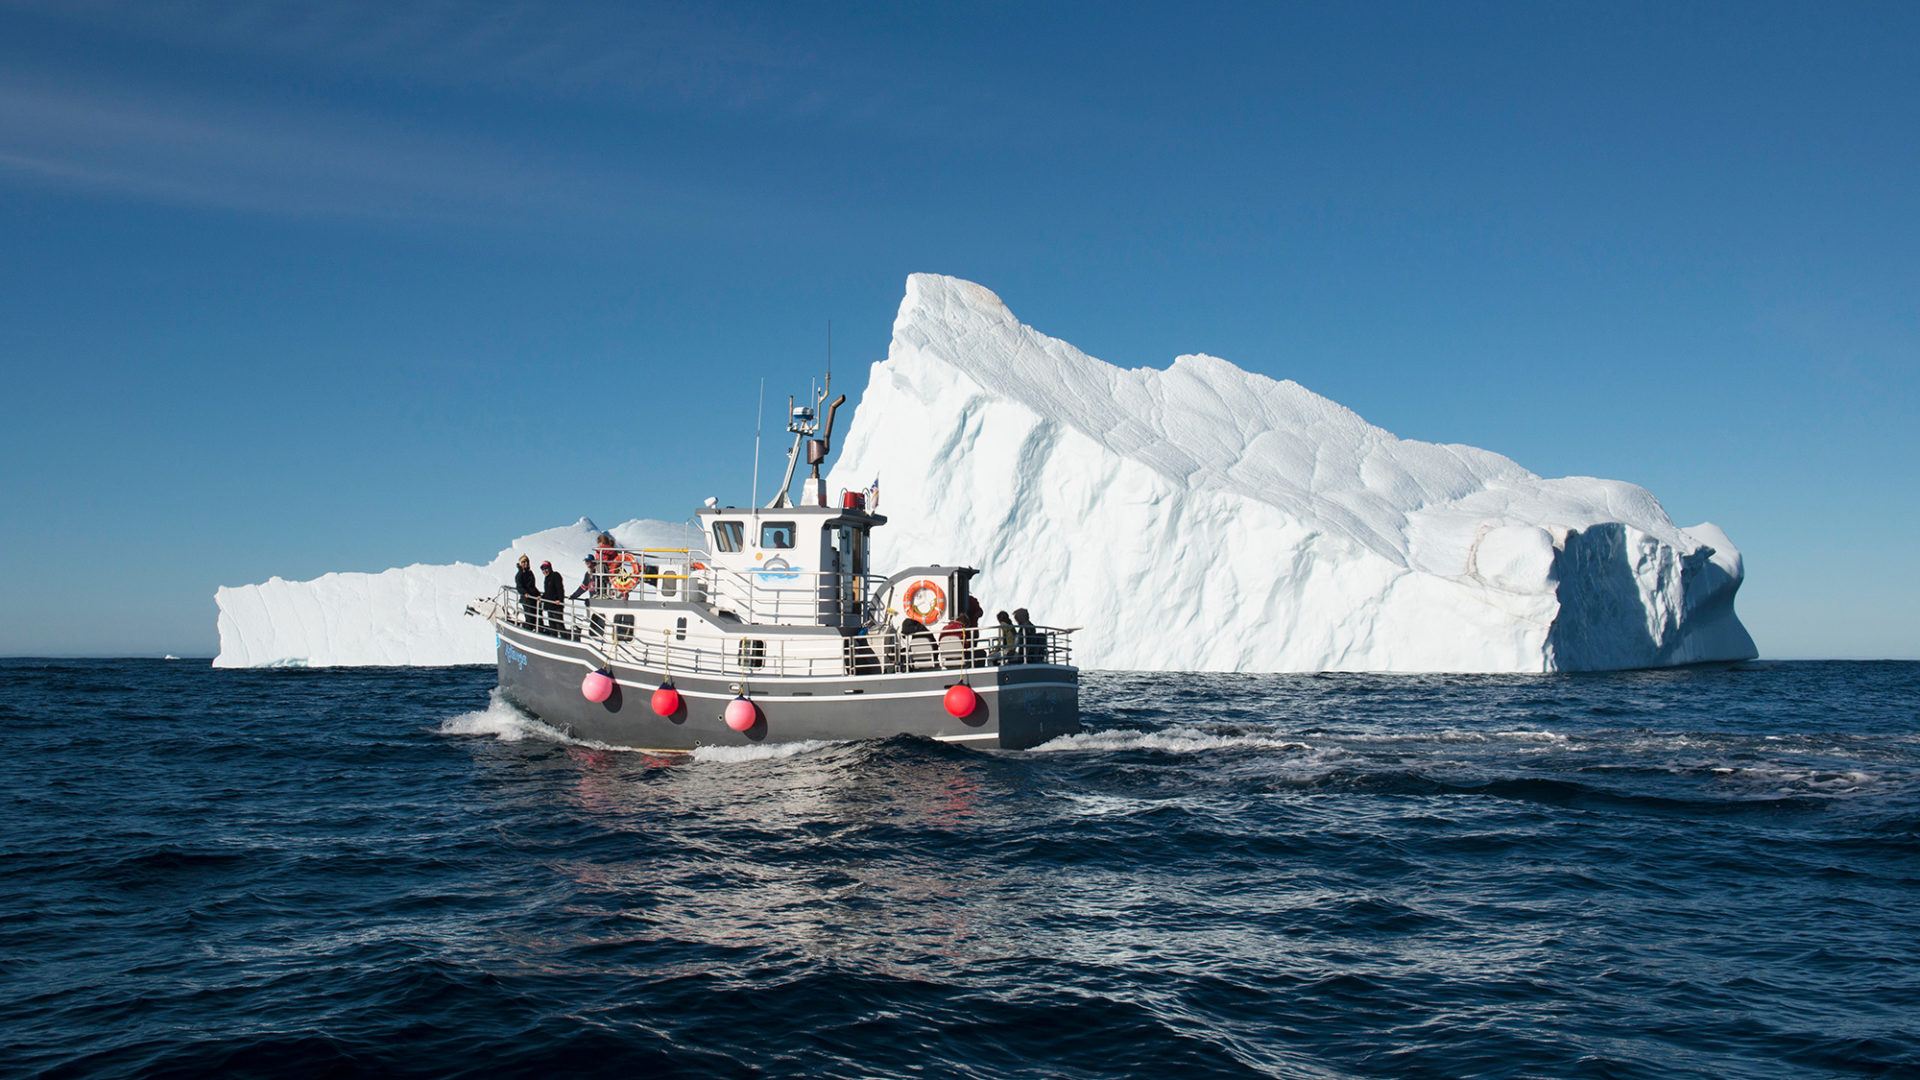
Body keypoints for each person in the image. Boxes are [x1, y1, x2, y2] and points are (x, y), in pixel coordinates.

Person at [541, 560, 565, 636]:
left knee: (559, 625)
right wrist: (542, 597)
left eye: (546, 568)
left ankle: (565, 639)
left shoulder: (555, 575)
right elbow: (548, 592)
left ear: (550, 567)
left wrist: (560, 600)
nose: (544, 570)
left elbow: (560, 588)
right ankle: (554, 638)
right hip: (549, 605)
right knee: (552, 625)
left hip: (556, 605)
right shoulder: (547, 578)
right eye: (542, 568)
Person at [513, 555, 538, 628]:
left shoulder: (530, 573)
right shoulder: (520, 574)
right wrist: (525, 593)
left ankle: (536, 628)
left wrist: (538, 594)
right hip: (526, 598)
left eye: (527, 562)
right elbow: (519, 586)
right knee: (529, 616)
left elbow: (532, 586)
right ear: (520, 563)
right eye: (523, 562)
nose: (525, 563)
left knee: (536, 615)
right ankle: (528, 628)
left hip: (532, 597)